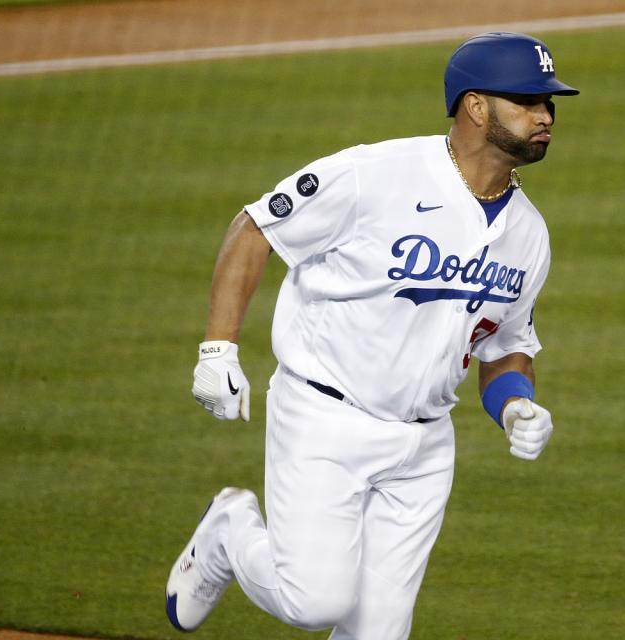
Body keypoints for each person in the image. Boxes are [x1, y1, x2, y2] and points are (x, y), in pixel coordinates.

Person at [165, 31, 579, 640]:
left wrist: (515, 404)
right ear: (476, 106)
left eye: (550, 104)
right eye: (527, 100)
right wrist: (218, 347)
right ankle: (231, 529)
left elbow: (503, 344)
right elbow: (255, 229)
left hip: (424, 447)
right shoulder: (374, 175)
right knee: (313, 603)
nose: (545, 115)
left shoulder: (529, 235)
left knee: (377, 635)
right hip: (325, 418)